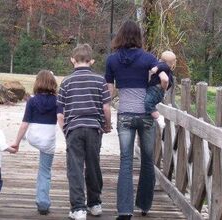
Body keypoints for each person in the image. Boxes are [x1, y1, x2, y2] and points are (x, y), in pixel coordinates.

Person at [105, 20, 158, 220]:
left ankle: (125, 210)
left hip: (125, 115)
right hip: (145, 116)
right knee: (147, 159)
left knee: (125, 161)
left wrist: (106, 116)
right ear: (138, 36)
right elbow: (162, 77)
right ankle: (144, 205)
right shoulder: (148, 58)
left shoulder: (112, 60)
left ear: (120, 36)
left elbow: (109, 92)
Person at [57, 44, 112, 220]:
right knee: (93, 166)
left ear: (72, 60)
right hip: (94, 128)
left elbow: (60, 113)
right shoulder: (100, 81)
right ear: (92, 61)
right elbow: (106, 108)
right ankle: (95, 203)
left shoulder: (66, 82)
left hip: (74, 128)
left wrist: (66, 130)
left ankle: (78, 208)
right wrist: (107, 125)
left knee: (75, 168)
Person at [11, 70, 61, 216]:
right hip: (48, 141)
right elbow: (60, 119)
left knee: (28, 133)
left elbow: (24, 123)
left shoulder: (32, 100)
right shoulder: (57, 101)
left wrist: (17, 142)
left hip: (33, 137)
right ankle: (43, 203)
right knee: (45, 171)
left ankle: (26, 138)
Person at [145, 51, 176, 119]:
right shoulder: (167, 69)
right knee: (149, 103)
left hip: (156, 89)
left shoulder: (163, 66)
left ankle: (158, 117)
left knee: (147, 103)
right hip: (157, 90)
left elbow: (162, 67)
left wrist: (156, 68)